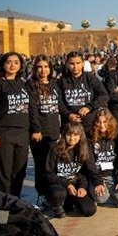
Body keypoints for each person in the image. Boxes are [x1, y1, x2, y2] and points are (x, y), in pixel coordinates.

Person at [0, 52, 32, 197]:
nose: (12, 65)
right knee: (4, 172)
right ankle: (4, 204)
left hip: (22, 133)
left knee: (19, 172)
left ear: (20, 65)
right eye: (9, 62)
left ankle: (14, 201)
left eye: (16, 62)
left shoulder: (23, 84)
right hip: (4, 134)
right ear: (3, 64)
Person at [27, 55, 69, 201]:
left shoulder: (53, 84)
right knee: (40, 166)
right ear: (35, 69)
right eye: (39, 66)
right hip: (39, 133)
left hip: (53, 132)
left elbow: (60, 105)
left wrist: (70, 116)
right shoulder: (31, 85)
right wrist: (36, 129)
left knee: (51, 165)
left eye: (46, 66)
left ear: (50, 69)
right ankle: (41, 194)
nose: (43, 70)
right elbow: (32, 109)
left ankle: (52, 195)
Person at [45, 122, 104, 218]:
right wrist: (66, 184)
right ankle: (55, 205)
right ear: (64, 135)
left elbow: (87, 171)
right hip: (59, 185)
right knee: (58, 193)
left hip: (75, 185)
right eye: (69, 135)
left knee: (89, 210)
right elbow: (48, 174)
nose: (72, 138)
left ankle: (70, 203)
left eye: (75, 135)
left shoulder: (83, 150)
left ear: (80, 136)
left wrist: (83, 186)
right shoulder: (55, 150)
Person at [90, 108, 118, 207]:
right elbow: (90, 163)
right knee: (101, 198)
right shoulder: (90, 139)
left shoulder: (117, 138)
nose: (102, 125)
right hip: (96, 176)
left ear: (110, 122)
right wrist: (98, 182)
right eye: (99, 122)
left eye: (105, 122)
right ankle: (92, 192)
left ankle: (110, 193)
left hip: (111, 176)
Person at [59, 51, 109, 135]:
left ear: (82, 63)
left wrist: (89, 107)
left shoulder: (90, 78)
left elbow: (104, 95)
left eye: (78, 63)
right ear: (67, 64)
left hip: (89, 126)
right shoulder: (62, 81)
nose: (75, 66)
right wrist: (68, 114)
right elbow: (58, 101)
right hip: (70, 126)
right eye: (72, 63)